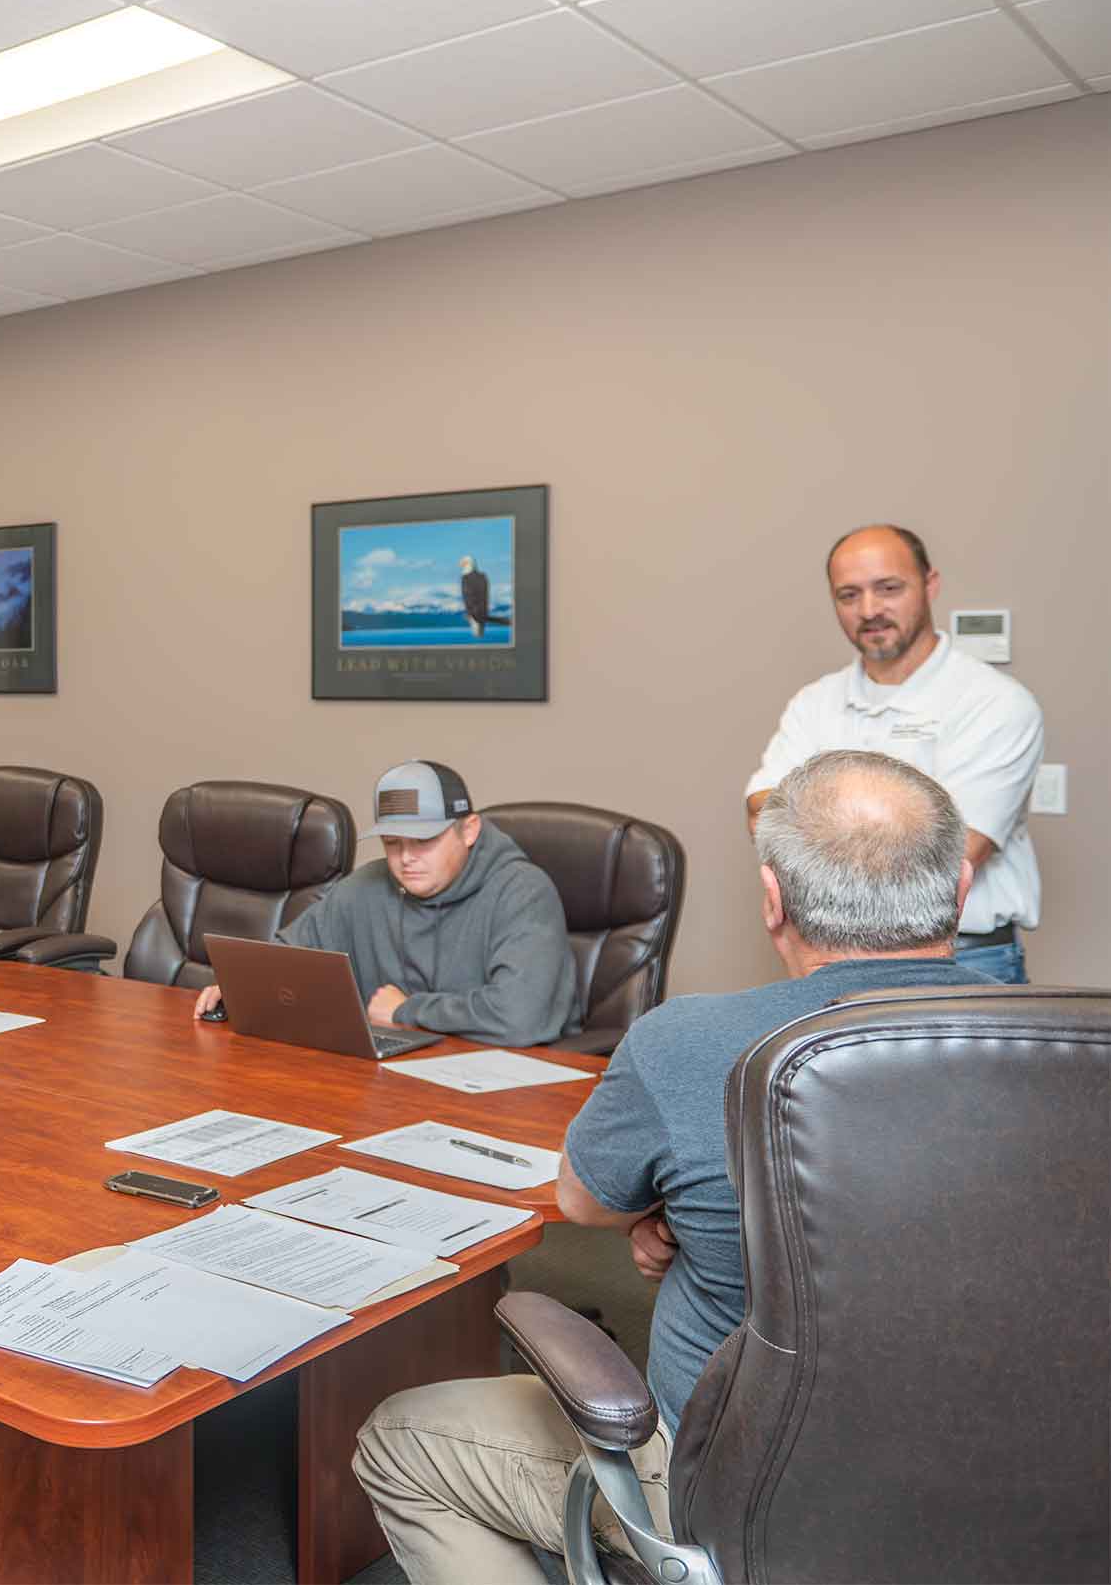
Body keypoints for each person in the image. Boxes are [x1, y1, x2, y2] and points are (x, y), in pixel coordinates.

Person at [352, 751, 995, 1582]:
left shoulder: (684, 1042)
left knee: (400, 1440)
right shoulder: (1081, 1051)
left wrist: (681, 1210)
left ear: (771, 900)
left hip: (736, 1489)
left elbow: (582, 1204)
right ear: (959, 890)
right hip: (1018, 1487)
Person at [748, 524, 1043, 982]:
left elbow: (959, 852)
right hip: (828, 959)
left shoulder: (995, 703)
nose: (869, 610)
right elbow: (760, 813)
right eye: (849, 595)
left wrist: (814, 827)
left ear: (930, 584)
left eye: (888, 588)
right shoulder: (814, 703)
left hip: (963, 958)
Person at [193, 761, 577, 1048]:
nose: (406, 858)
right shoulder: (366, 886)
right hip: (397, 1080)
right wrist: (240, 987)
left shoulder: (524, 893)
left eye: (423, 841)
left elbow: (520, 1016)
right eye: (392, 843)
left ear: (469, 830)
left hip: (514, 1088)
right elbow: (285, 958)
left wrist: (405, 1011)